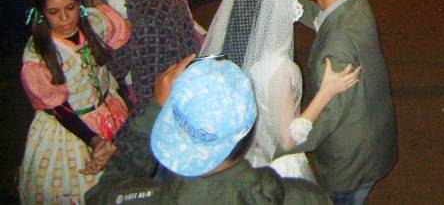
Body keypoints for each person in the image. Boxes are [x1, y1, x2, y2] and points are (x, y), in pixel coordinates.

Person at [86, 56, 332, 204]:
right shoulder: (306, 198)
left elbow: (102, 193)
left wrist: (154, 110)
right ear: (248, 135)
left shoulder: (141, 199)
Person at [201, 0, 362, 179]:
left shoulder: (227, 55)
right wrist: (326, 93)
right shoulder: (278, 68)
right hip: (276, 167)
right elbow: (287, 139)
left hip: (245, 157)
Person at [281, 0, 398, 202]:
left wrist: (276, 147)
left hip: (348, 161)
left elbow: (320, 122)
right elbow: (320, 14)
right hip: (370, 138)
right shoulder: (354, 0)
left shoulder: (336, 49)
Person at [19, 0, 131, 204]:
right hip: (70, 130)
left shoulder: (96, 20)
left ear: (79, 3)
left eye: (70, 8)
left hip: (111, 114)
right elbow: (57, 109)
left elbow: (122, 35)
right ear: (40, 13)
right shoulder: (38, 54)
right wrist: (93, 139)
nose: (64, 18)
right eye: (53, 12)